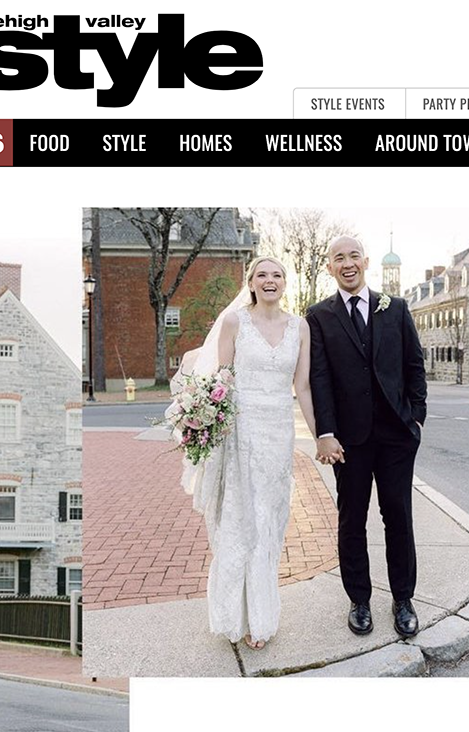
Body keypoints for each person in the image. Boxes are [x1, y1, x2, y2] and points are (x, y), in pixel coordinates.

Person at [175, 256, 322, 650]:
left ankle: (261, 614)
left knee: (270, 522)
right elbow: (222, 379)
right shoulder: (235, 322)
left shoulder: (300, 327)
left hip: (278, 436)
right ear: (251, 282)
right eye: (262, 275)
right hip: (240, 433)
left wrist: (320, 434)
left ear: (285, 284)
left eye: (276, 275)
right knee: (241, 521)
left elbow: (303, 387)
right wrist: (206, 421)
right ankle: (234, 618)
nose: (269, 281)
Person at [306, 237, 428, 638]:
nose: (347, 263)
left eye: (353, 256)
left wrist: (417, 420)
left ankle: (403, 599)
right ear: (329, 267)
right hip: (349, 441)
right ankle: (359, 601)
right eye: (338, 258)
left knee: (398, 518)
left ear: (366, 262)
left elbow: (414, 365)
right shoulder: (318, 316)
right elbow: (318, 377)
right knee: (351, 519)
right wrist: (325, 433)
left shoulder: (396, 308)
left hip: (396, 436)